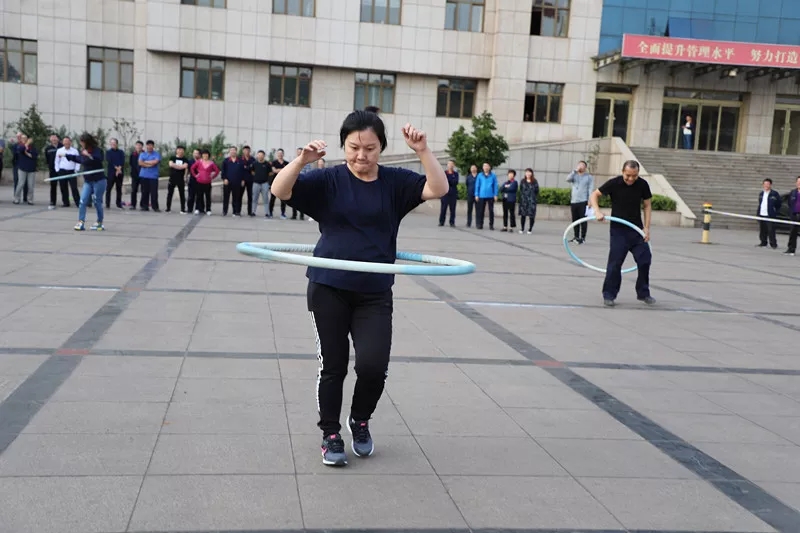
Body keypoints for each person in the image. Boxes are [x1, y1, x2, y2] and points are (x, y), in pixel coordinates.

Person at [271, 111, 448, 467]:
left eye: (370, 148)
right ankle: (330, 434)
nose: (361, 155)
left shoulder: (395, 183)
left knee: (373, 366)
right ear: (343, 146)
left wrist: (423, 151)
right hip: (328, 286)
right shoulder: (329, 180)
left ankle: (360, 419)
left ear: (381, 147)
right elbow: (280, 190)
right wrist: (302, 160)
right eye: (354, 147)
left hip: (374, 292)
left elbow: (438, 189)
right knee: (333, 365)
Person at [588, 160, 655, 308]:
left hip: (636, 230)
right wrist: (597, 211)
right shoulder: (614, 183)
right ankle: (609, 294)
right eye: (628, 175)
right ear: (623, 172)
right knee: (615, 263)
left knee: (645, 259)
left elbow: (647, 205)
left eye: (634, 176)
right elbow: (594, 195)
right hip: (619, 231)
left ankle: (643, 293)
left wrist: (646, 228)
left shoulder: (642, 184)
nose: (631, 179)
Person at [66, 133, 106, 231]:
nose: (81, 144)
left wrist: (88, 155)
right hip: (88, 181)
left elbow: (98, 160)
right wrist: (68, 156)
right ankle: (81, 222)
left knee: (97, 202)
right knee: (82, 201)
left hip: (99, 180)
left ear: (87, 142)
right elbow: (80, 159)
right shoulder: (83, 151)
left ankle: (99, 222)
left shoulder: (97, 150)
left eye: (82, 142)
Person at [566, 161, 594, 244]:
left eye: (582, 165)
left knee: (583, 220)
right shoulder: (574, 175)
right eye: (579, 165)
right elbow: (567, 179)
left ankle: (583, 237)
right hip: (574, 201)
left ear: (585, 167)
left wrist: (590, 200)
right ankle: (576, 236)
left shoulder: (588, 177)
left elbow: (590, 189)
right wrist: (574, 171)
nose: (580, 167)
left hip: (583, 201)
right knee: (575, 220)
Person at [190, 149, 220, 215]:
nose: (205, 155)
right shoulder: (199, 162)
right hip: (199, 182)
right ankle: (197, 209)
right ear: (202, 155)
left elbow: (217, 171)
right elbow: (192, 168)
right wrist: (195, 175)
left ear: (208, 155)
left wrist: (212, 177)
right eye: (203, 154)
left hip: (207, 183)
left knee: (208, 196)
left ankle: (208, 210)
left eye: (206, 154)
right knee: (199, 196)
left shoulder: (211, 163)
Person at [54, 136, 81, 207]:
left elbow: (78, 162)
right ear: (63, 143)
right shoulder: (59, 150)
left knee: (74, 187)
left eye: (67, 142)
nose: (66, 143)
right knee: (63, 187)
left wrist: (76, 170)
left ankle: (78, 203)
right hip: (62, 171)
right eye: (65, 142)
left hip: (72, 171)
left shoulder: (75, 151)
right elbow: (56, 161)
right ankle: (66, 202)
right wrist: (57, 170)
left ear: (70, 142)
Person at [756, 178, 781, 249]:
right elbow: (760, 204)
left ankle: (773, 244)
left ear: (770, 185)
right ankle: (763, 242)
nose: (766, 185)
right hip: (762, 214)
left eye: (768, 184)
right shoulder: (761, 193)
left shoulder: (774, 194)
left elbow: (779, 204)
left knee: (771, 230)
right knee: (762, 230)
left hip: (770, 215)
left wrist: (774, 211)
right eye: (765, 184)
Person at [138, 140, 161, 211]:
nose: (150, 147)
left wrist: (145, 162)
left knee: (154, 192)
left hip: (153, 176)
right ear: (146, 146)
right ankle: (144, 206)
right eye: (148, 145)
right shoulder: (142, 154)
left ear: (153, 146)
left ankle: (155, 207)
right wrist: (149, 164)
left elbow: (156, 161)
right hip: (144, 175)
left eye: (151, 145)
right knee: (144, 192)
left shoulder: (156, 154)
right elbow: (140, 163)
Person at [14, 136, 38, 205]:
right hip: (22, 168)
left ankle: (30, 200)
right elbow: (21, 150)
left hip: (31, 169)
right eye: (22, 138)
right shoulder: (20, 146)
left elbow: (34, 155)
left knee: (30, 185)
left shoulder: (32, 147)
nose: (24, 139)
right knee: (20, 184)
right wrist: (26, 145)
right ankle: (16, 199)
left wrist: (27, 153)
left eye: (25, 138)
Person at [166, 145, 189, 214]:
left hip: (181, 179)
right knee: (170, 194)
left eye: (182, 150)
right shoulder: (172, 157)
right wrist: (180, 167)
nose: (180, 151)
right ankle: (168, 208)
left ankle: (182, 209)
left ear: (184, 151)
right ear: (176, 150)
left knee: (182, 194)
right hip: (172, 178)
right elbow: (171, 164)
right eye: (179, 149)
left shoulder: (185, 159)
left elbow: (185, 166)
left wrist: (175, 166)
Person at [474, 163, 497, 230]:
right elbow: (477, 185)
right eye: (484, 166)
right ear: (483, 168)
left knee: (491, 211)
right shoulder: (480, 175)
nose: (486, 167)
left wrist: (495, 194)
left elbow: (495, 185)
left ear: (489, 167)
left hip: (490, 195)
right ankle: (480, 224)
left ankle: (491, 225)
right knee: (481, 211)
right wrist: (476, 194)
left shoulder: (493, 175)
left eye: (487, 166)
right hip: (482, 195)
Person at [105, 138, 125, 209]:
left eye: (114, 143)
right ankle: (107, 204)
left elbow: (122, 161)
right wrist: (116, 168)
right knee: (108, 189)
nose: (113, 144)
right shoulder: (108, 152)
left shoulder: (121, 152)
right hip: (111, 173)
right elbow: (109, 161)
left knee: (119, 189)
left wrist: (119, 168)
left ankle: (118, 203)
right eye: (111, 143)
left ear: (117, 144)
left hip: (120, 172)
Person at [518, 168, 539, 234]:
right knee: (523, 215)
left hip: (532, 201)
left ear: (532, 173)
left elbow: (537, 190)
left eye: (529, 172)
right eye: (527, 172)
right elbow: (521, 189)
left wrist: (532, 197)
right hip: (524, 201)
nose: (528, 173)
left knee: (531, 216)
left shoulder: (534, 181)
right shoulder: (523, 181)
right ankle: (522, 228)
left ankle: (530, 229)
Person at [438, 160, 458, 227]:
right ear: (447, 165)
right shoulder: (444, 173)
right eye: (449, 164)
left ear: (454, 165)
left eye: (452, 164)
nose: (450, 165)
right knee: (443, 209)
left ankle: (452, 222)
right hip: (445, 194)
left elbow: (455, 182)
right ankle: (441, 222)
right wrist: (450, 180)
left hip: (453, 194)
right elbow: (443, 181)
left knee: (452, 209)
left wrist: (448, 180)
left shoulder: (456, 174)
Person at [270, 149, 289, 219]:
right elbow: (274, 170)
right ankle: (270, 212)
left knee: (283, 199)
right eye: (279, 153)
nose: (280, 154)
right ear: (277, 154)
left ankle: (283, 213)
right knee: (272, 198)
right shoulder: (274, 162)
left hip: (283, 183)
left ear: (283, 154)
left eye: (281, 153)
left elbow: (287, 171)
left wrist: (278, 170)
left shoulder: (286, 163)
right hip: (274, 183)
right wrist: (283, 169)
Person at [45, 134, 62, 210]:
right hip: (52, 170)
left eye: (55, 139)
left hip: (61, 169)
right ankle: (52, 201)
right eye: (52, 139)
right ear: (50, 140)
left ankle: (65, 201)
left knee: (63, 185)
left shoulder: (62, 147)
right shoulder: (48, 148)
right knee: (53, 186)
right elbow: (47, 159)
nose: (54, 140)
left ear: (58, 139)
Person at [252, 150, 271, 217]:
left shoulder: (267, 164)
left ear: (264, 156)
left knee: (266, 198)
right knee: (254, 198)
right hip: (256, 183)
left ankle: (267, 213)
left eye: (261, 155)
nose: (260, 156)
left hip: (265, 184)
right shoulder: (254, 163)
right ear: (257, 156)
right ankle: (253, 212)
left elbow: (270, 173)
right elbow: (252, 172)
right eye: (259, 155)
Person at [784, 176, 800, 257]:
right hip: (794, 215)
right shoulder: (793, 192)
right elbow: (790, 203)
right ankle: (791, 249)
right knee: (793, 232)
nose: (799, 183)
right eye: (798, 182)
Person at [129, 141, 144, 210]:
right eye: (137, 145)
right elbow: (131, 164)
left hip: (143, 174)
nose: (138, 146)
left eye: (140, 145)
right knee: (133, 190)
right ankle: (133, 204)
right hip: (135, 175)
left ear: (142, 146)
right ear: (135, 146)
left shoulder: (145, 154)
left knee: (144, 190)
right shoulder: (133, 154)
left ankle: (143, 205)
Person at [186, 148, 200, 213]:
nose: (195, 154)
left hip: (200, 181)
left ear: (199, 154)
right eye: (194, 153)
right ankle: (189, 209)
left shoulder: (201, 161)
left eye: (197, 153)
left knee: (199, 196)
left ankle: (198, 208)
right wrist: (185, 177)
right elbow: (187, 170)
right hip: (192, 180)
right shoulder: (190, 161)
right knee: (191, 196)